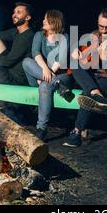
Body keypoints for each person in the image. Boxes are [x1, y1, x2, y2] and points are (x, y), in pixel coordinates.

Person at [63, 8, 107, 148]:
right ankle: (97, 94)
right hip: (91, 78)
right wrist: (76, 51)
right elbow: (81, 54)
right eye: (101, 26)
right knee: (74, 63)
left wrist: (105, 59)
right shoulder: (93, 36)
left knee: (88, 93)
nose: (104, 30)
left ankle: (77, 132)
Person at [22, 9, 73, 141]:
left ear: (53, 22)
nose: (43, 21)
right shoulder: (39, 35)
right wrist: (43, 69)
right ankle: (56, 83)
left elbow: (59, 61)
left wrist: (46, 76)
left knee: (45, 85)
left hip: (61, 75)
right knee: (26, 62)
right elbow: (35, 53)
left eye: (46, 19)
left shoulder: (65, 38)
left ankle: (41, 129)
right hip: (40, 75)